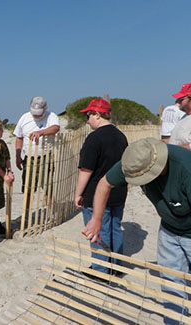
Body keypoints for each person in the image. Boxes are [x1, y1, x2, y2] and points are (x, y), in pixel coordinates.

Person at [84, 138, 191, 324]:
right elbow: (104, 184)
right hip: (169, 228)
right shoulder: (134, 160)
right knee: (171, 282)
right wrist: (96, 220)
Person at [75, 98, 128, 278]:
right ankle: (116, 267)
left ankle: (100, 271)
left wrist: (78, 194)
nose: (87, 120)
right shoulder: (121, 136)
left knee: (98, 230)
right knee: (114, 227)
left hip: (97, 193)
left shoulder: (94, 138)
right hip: (118, 191)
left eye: (88, 115)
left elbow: (86, 170)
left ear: (97, 115)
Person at [14, 96, 60, 201]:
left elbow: (55, 128)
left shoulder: (51, 116)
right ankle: (27, 212)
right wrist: (18, 156)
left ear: (44, 109)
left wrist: (41, 132)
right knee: (27, 187)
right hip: (29, 158)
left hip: (45, 157)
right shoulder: (24, 118)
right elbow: (19, 137)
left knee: (47, 186)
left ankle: (49, 210)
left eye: (38, 113)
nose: (36, 115)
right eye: (34, 112)